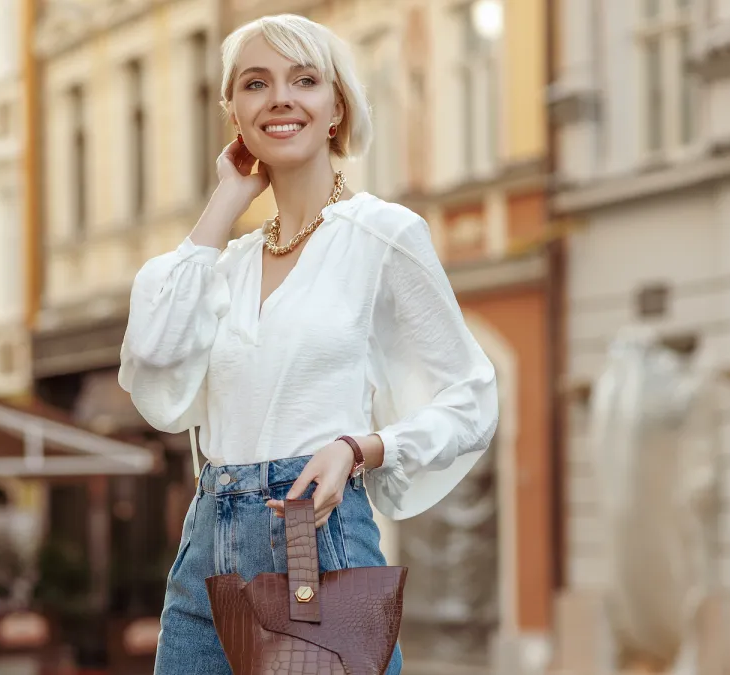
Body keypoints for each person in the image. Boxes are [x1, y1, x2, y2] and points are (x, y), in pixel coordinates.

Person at [118, 13, 499, 674]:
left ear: (336, 107)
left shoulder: (382, 235)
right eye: (256, 83)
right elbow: (151, 354)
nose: (280, 98)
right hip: (209, 539)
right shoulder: (226, 263)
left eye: (305, 80)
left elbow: (473, 398)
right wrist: (226, 199)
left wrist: (362, 448)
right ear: (234, 113)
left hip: (315, 539)